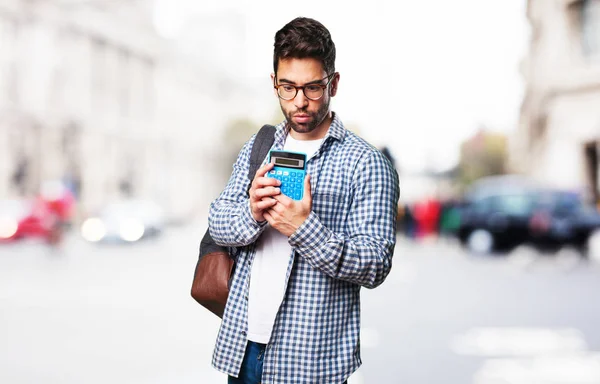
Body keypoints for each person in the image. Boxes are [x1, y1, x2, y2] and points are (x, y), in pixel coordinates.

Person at [208, 16, 400, 384]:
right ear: (274, 83)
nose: (300, 102)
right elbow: (218, 221)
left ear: (334, 83)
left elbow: (375, 264)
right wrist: (252, 212)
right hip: (243, 350)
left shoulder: (366, 163)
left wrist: (304, 229)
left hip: (311, 362)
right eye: (288, 88)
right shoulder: (259, 146)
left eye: (313, 88)